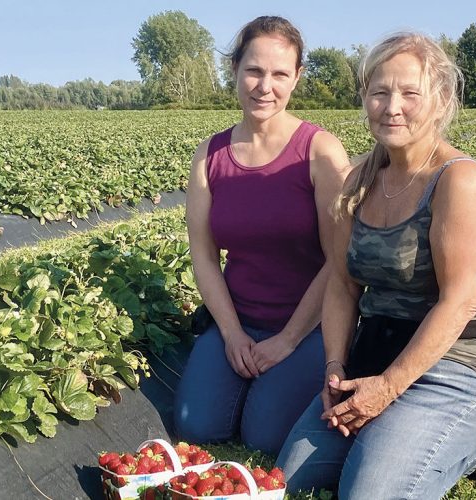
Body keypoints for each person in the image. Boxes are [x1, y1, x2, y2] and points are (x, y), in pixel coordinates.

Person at [276, 32, 476, 499]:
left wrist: (389, 388)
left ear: (439, 102)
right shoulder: (358, 179)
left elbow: (460, 304)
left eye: (410, 93)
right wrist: (336, 368)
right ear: (365, 99)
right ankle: (412, 437)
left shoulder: (461, 181)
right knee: (291, 474)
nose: (392, 106)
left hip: (458, 359)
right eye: (380, 92)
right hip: (378, 347)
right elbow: (341, 284)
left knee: (370, 492)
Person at [173, 16, 349, 455]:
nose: (264, 86)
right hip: (239, 317)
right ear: (234, 69)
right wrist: (232, 333)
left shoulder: (319, 151)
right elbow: (204, 257)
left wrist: (288, 339)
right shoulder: (209, 156)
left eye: (279, 74)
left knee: (265, 438)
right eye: (253, 70)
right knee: (195, 426)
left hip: (307, 327)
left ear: (297, 78)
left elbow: (339, 260)